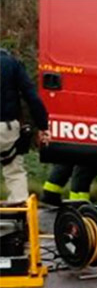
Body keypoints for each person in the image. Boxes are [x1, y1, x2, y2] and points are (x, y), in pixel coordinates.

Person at [0, 49, 49, 203]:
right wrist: (43, 126)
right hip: (7, 127)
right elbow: (32, 97)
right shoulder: (12, 64)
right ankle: (19, 208)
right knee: (14, 170)